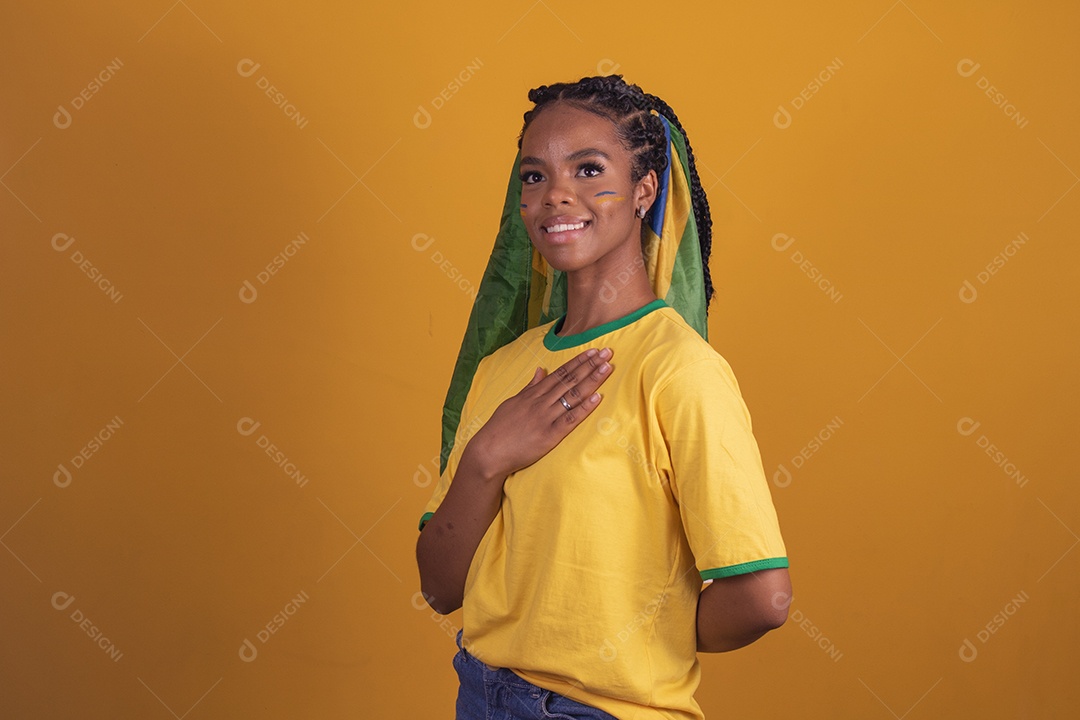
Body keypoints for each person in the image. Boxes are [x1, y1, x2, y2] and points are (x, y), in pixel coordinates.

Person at [415, 74, 791, 720]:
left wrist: (642, 637)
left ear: (645, 190)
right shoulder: (501, 369)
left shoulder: (679, 371)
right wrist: (488, 456)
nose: (556, 195)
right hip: (480, 694)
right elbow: (441, 585)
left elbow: (762, 598)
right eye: (534, 177)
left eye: (589, 169)